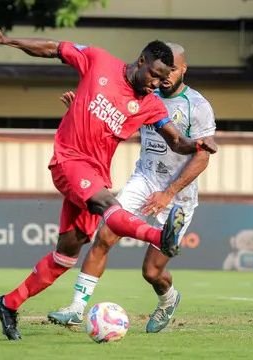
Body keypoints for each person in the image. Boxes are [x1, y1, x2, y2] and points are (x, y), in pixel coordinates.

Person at [0, 25, 217, 340]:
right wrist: (8, 40)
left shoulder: (150, 104)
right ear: (142, 60)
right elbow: (53, 47)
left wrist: (197, 146)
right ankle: (160, 235)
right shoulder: (98, 60)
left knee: (66, 254)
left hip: (96, 174)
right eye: (155, 75)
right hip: (69, 161)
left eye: (163, 79)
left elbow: (175, 141)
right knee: (109, 207)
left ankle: (8, 304)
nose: (157, 84)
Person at [48, 43, 216, 333]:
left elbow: (201, 157)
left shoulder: (197, 106)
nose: (164, 77)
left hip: (178, 194)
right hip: (144, 178)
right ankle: (76, 308)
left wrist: (169, 193)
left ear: (183, 70)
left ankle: (168, 299)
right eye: (161, 70)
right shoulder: (144, 95)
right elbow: (108, 115)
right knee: (106, 233)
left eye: (172, 70)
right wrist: (80, 107)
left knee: (151, 272)